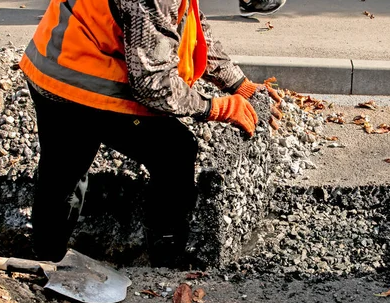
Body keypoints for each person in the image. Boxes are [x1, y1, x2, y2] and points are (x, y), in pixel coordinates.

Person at [20, 0, 282, 268]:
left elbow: (187, 25)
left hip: (51, 64)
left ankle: (45, 255)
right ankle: (166, 261)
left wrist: (239, 84)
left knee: (63, 167)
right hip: (84, 82)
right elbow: (152, 85)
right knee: (174, 150)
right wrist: (212, 107)